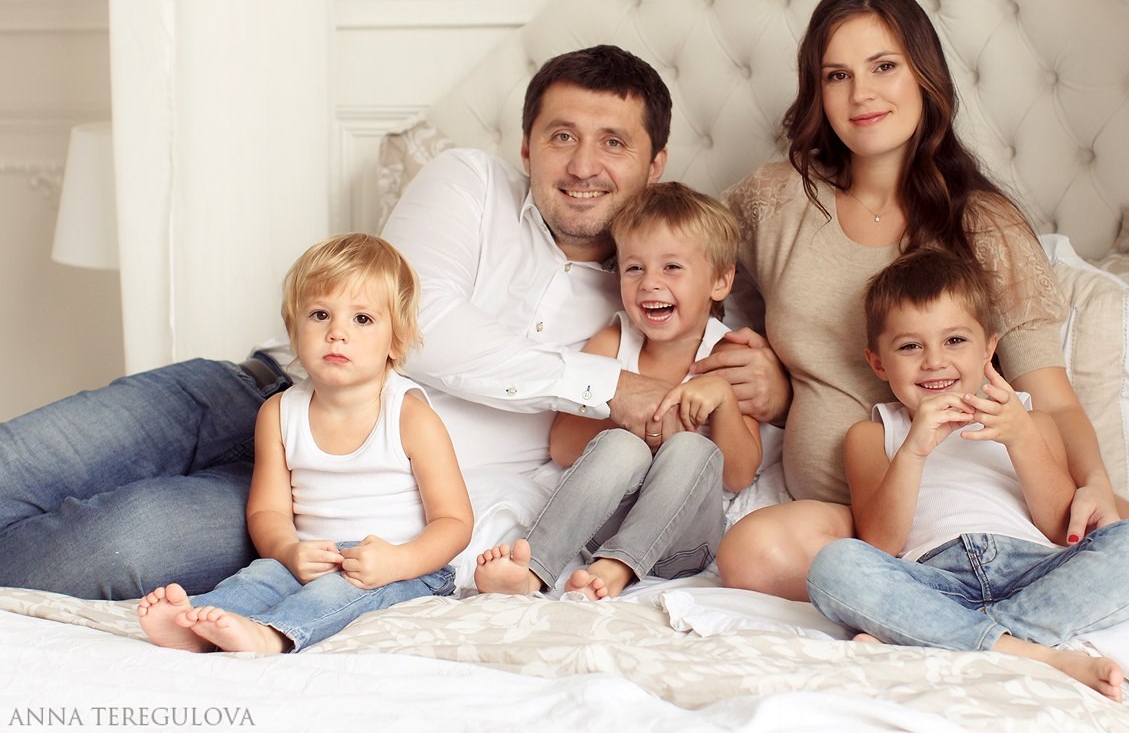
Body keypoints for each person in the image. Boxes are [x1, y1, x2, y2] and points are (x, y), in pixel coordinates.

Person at [0, 43, 783, 599]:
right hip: (260, 392)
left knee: (118, 545)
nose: (583, 166)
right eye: (562, 137)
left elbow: (750, 413)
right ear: (526, 146)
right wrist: (608, 387)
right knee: (20, 461)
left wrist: (774, 386)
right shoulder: (469, 183)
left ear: (655, 164)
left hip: (345, 504)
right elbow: (422, 324)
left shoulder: (665, 292)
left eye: (613, 143)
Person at [703, 0, 1129, 631]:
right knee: (748, 554)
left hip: (992, 500)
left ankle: (968, 620)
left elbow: (1051, 401)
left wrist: (1096, 485)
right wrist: (768, 375)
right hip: (855, 518)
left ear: (924, 74)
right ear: (816, 92)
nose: (861, 94)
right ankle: (982, 620)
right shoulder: (776, 201)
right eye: (837, 76)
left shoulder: (984, 225)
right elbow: (679, 271)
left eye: (884, 66)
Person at [805, 248, 1129, 700]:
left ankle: (945, 637)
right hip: (936, 583)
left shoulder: (1030, 420)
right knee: (833, 566)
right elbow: (881, 543)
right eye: (909, 346)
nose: (934, 361)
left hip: (1035, 573)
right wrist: (913, 451)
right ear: (878, 362)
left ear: (989, 348)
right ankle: (1035, 654)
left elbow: (1059, 527)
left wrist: (1021, 439)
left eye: (954, 340)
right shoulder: (871, 435)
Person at [136, 233, 473, 653]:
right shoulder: (279, 413)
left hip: (404, 570)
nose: (337, 333)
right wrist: (289, 551)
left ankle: (271, 635)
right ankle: (197, 625)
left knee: (334, 594)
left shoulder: (410, 416)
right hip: (314, 559)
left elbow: (454, 522)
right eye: (319, 314)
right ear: (294, 330)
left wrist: (400, 560)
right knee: (259, 577)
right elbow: (268, 510)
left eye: (362, 319)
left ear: (396, 340)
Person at [473, 183, 762, 599]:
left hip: (684, 543)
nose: (650, 283)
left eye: (672, 267)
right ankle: (532, 569)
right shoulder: (613, 342)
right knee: (621, 445)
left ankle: (619, 567)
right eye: (634, 268)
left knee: (691, 448)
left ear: (720, 280)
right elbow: (563, 447)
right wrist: (629, 423)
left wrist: (724, 399)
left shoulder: (727, 358)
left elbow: (738, 475)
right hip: (602, 529)